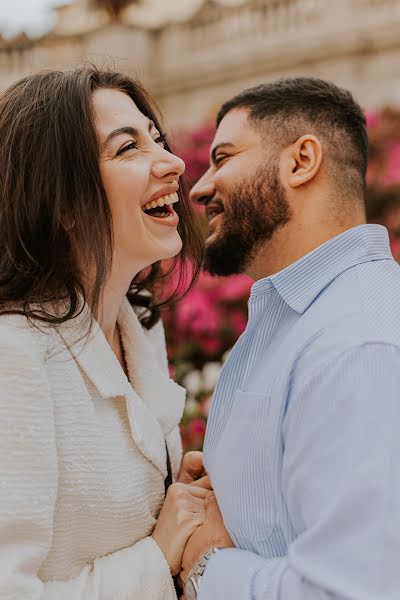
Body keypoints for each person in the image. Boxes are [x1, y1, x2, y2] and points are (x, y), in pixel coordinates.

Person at [180, 77, 400, 599]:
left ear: (301, 160)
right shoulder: (299, 321)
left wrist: (206, 565)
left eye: (224, 157)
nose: (199, 186)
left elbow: (350, 591)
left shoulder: (360, 343)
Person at [0, 66, 210, 600]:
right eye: (127, 148)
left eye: (157, 139)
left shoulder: (138, 329)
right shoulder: (14, 357)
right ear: (63, 201)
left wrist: (175, 500)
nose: (174, 163)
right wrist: (157, 558)